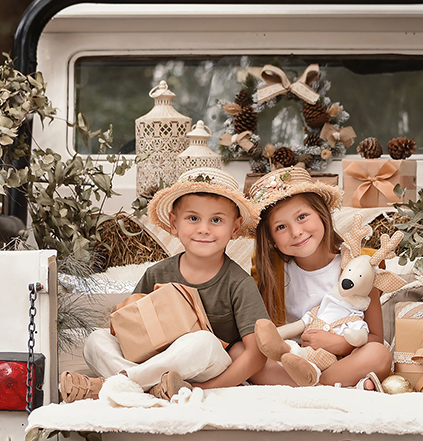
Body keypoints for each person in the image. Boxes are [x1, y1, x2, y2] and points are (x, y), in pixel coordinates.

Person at [60, 167, 269, 402]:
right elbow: (125, 328)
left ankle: (113, 384)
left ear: (235, 228)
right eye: (193, 218)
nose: (203, 229)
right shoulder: (157, 273)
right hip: (153, 359)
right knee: (96, 340)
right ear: (173, 223)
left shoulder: (239, 283)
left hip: (205, 366)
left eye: (216, 220)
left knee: (203, 340)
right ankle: (151, 386)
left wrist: (207, 386)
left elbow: (257, 354)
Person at [247, 167, 391, 390]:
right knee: (242, 352)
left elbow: (375, 338)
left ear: (322, 214)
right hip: (291, 358)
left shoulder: (356, 266)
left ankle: (316, 383)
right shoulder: (271, 271)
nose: (296, 232)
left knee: (378, 355)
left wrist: (340, 344)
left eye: (302, 217)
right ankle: (327, 383)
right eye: (281, 227)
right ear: (271, 237)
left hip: (343, 360)